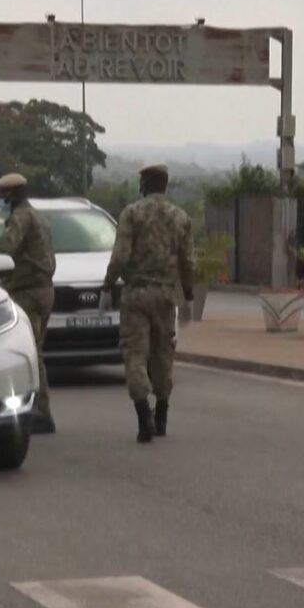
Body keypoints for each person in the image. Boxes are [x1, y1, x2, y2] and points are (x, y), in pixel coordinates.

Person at [102, 163, 194, 443]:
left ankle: (144, 416)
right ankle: (162, 415)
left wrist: (108, 285)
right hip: (166, 295)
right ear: (165, 185)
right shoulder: (181, 217)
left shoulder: (132, 214)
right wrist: (187, 296)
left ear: (144, 184)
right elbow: (188, 262)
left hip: (137, 294)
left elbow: (120, 256)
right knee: (164, 354)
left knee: (135, 354)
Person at [0, 173, 57, 435]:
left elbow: (7, 246)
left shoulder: (21, 217)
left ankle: (40, 412)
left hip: (28, 292)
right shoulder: (40, 217)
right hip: (44, 289)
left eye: (1, 194)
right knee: (37, 351)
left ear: (11, 194)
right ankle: (40, 409)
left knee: (30, 354)